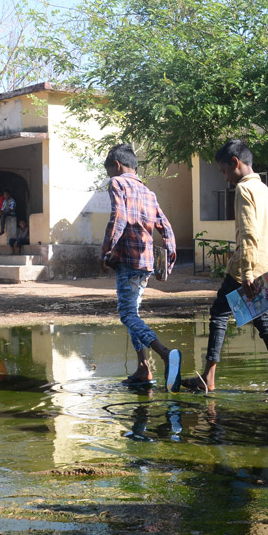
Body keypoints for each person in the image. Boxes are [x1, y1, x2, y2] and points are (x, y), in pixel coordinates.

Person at [183, 138, 268, 396]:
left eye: (223, 170)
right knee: (263, 323)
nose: (224, 177)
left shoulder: (244, 190)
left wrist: (246, 273)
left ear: (235, 163)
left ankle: (208, 378)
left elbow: (247, 234)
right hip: (264, 268)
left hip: (246, 269)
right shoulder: (266, 191)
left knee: (219, 314)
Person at [100, 143, 182, 390]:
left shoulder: (118, 184)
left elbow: (119, 217)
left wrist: (106, 249)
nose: (109, 178)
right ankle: (143, 369)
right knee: (133, 313)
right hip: (146, 262)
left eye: (109, 172)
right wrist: (169, 255)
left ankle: (166, 354)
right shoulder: (149, 192)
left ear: (116, 166)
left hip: (127, 260)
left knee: (127, 314)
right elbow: (165, 226)